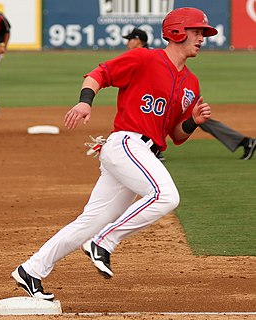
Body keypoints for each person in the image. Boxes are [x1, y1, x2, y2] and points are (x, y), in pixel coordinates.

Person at [11, 7, 216, 300]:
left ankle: (31, 269)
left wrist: (193, 121)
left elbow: (175, 135)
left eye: (203, 33)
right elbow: (99, 74)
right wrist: (85, 103)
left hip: (144, 154)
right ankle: (103, 242)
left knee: (91, 220)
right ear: (177, 31)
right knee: (166, 195)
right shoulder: (145, 58)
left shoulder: (191, 84)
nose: (202, 38)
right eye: (197, 32)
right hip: (126, 144)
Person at [123, 28, 256, 161]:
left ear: (138, 40)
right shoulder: (148, 53)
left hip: (180, 91)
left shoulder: (144, 55)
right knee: (197, 120)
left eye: (129, 39)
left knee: (174, 117)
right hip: (178, 90)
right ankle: (245, 142)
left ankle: (153, 148)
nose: (127, 43)